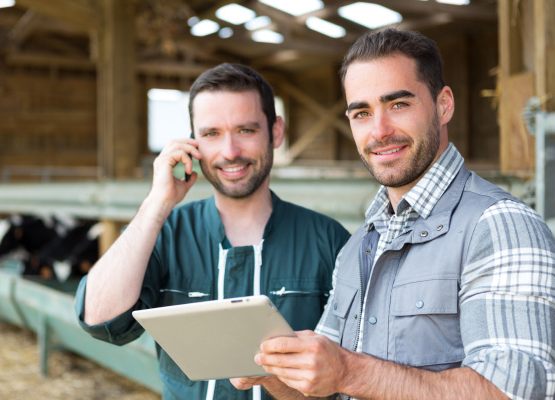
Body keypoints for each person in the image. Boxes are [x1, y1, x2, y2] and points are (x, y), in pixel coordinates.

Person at [232, 28, 555, 400]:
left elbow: (515, 392)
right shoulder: (358, 246)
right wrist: (270, 371)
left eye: (398, 104)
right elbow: (327, 390)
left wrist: (349, 371)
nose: (379, 131)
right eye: (362, 113)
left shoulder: (500, 226)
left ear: (444, 104)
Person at [74, 63, 351, 400]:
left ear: (276, 131)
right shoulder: (166, 232)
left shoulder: (329, 240)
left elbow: (345, 372)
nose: (230, 151)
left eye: (246, 130)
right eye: (212, 134)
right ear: (193, 141)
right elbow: (99, 319)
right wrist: (157, 204)